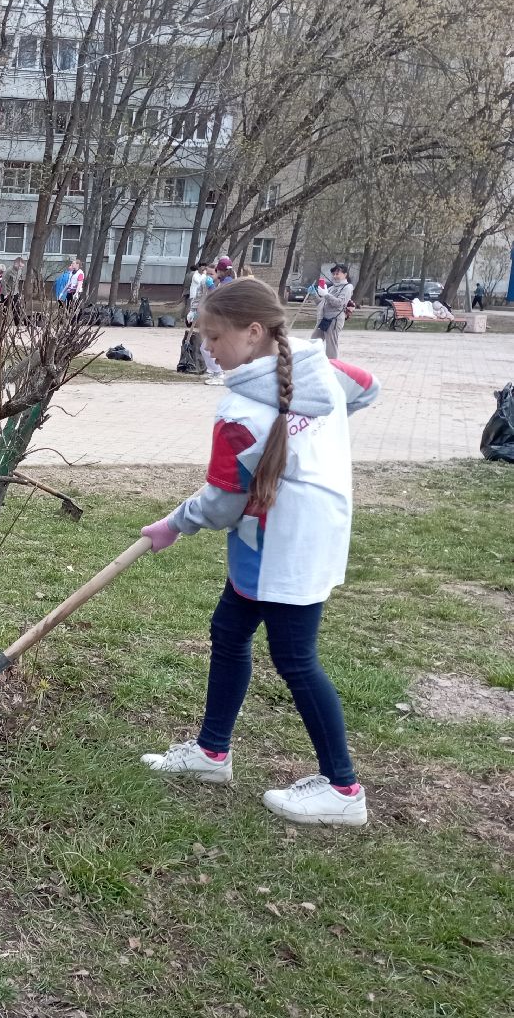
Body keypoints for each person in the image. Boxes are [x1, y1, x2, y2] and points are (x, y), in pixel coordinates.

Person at [138, 278, 379, 827]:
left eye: (214, 336)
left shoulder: (240, 412)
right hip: (287, 537)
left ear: (252, 333)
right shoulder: (320, 368)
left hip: (284, 546)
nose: (208, 349)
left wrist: (173, 524)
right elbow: (368, 389)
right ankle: (211, 752)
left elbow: (223, 505)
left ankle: (343, 789)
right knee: (228, 632)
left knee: (295, 659)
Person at [311, 263, 353, 359]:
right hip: (323, 319)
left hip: (334, 320)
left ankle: (333, 366)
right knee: (314, 341)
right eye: (333, 274)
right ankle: (313, 361)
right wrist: (313, 294)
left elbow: (339, 303)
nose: (335, 276)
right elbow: (320, 303)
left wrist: (326, 294)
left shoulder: (347, 287)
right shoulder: (331, 288)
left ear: (345, 274)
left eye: (337, 274)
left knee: (331, 346)